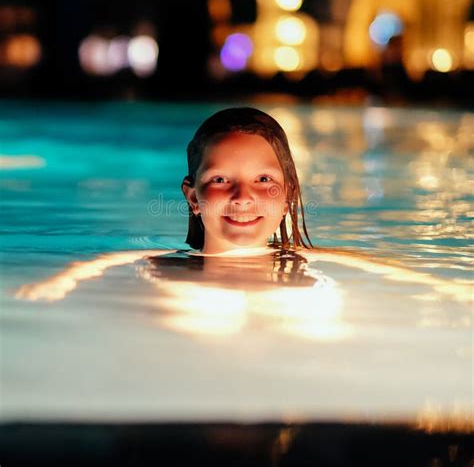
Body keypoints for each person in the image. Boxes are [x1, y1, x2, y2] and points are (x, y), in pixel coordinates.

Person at [15, 107, 469, 303]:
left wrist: (451, 289)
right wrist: (64, 279)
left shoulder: (307, 263)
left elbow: (383, 269)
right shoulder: (166, 266)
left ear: (289, 191)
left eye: (264, 180)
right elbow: (111, 261)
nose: (243, 196)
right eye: (220, 180)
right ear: (192, 197)